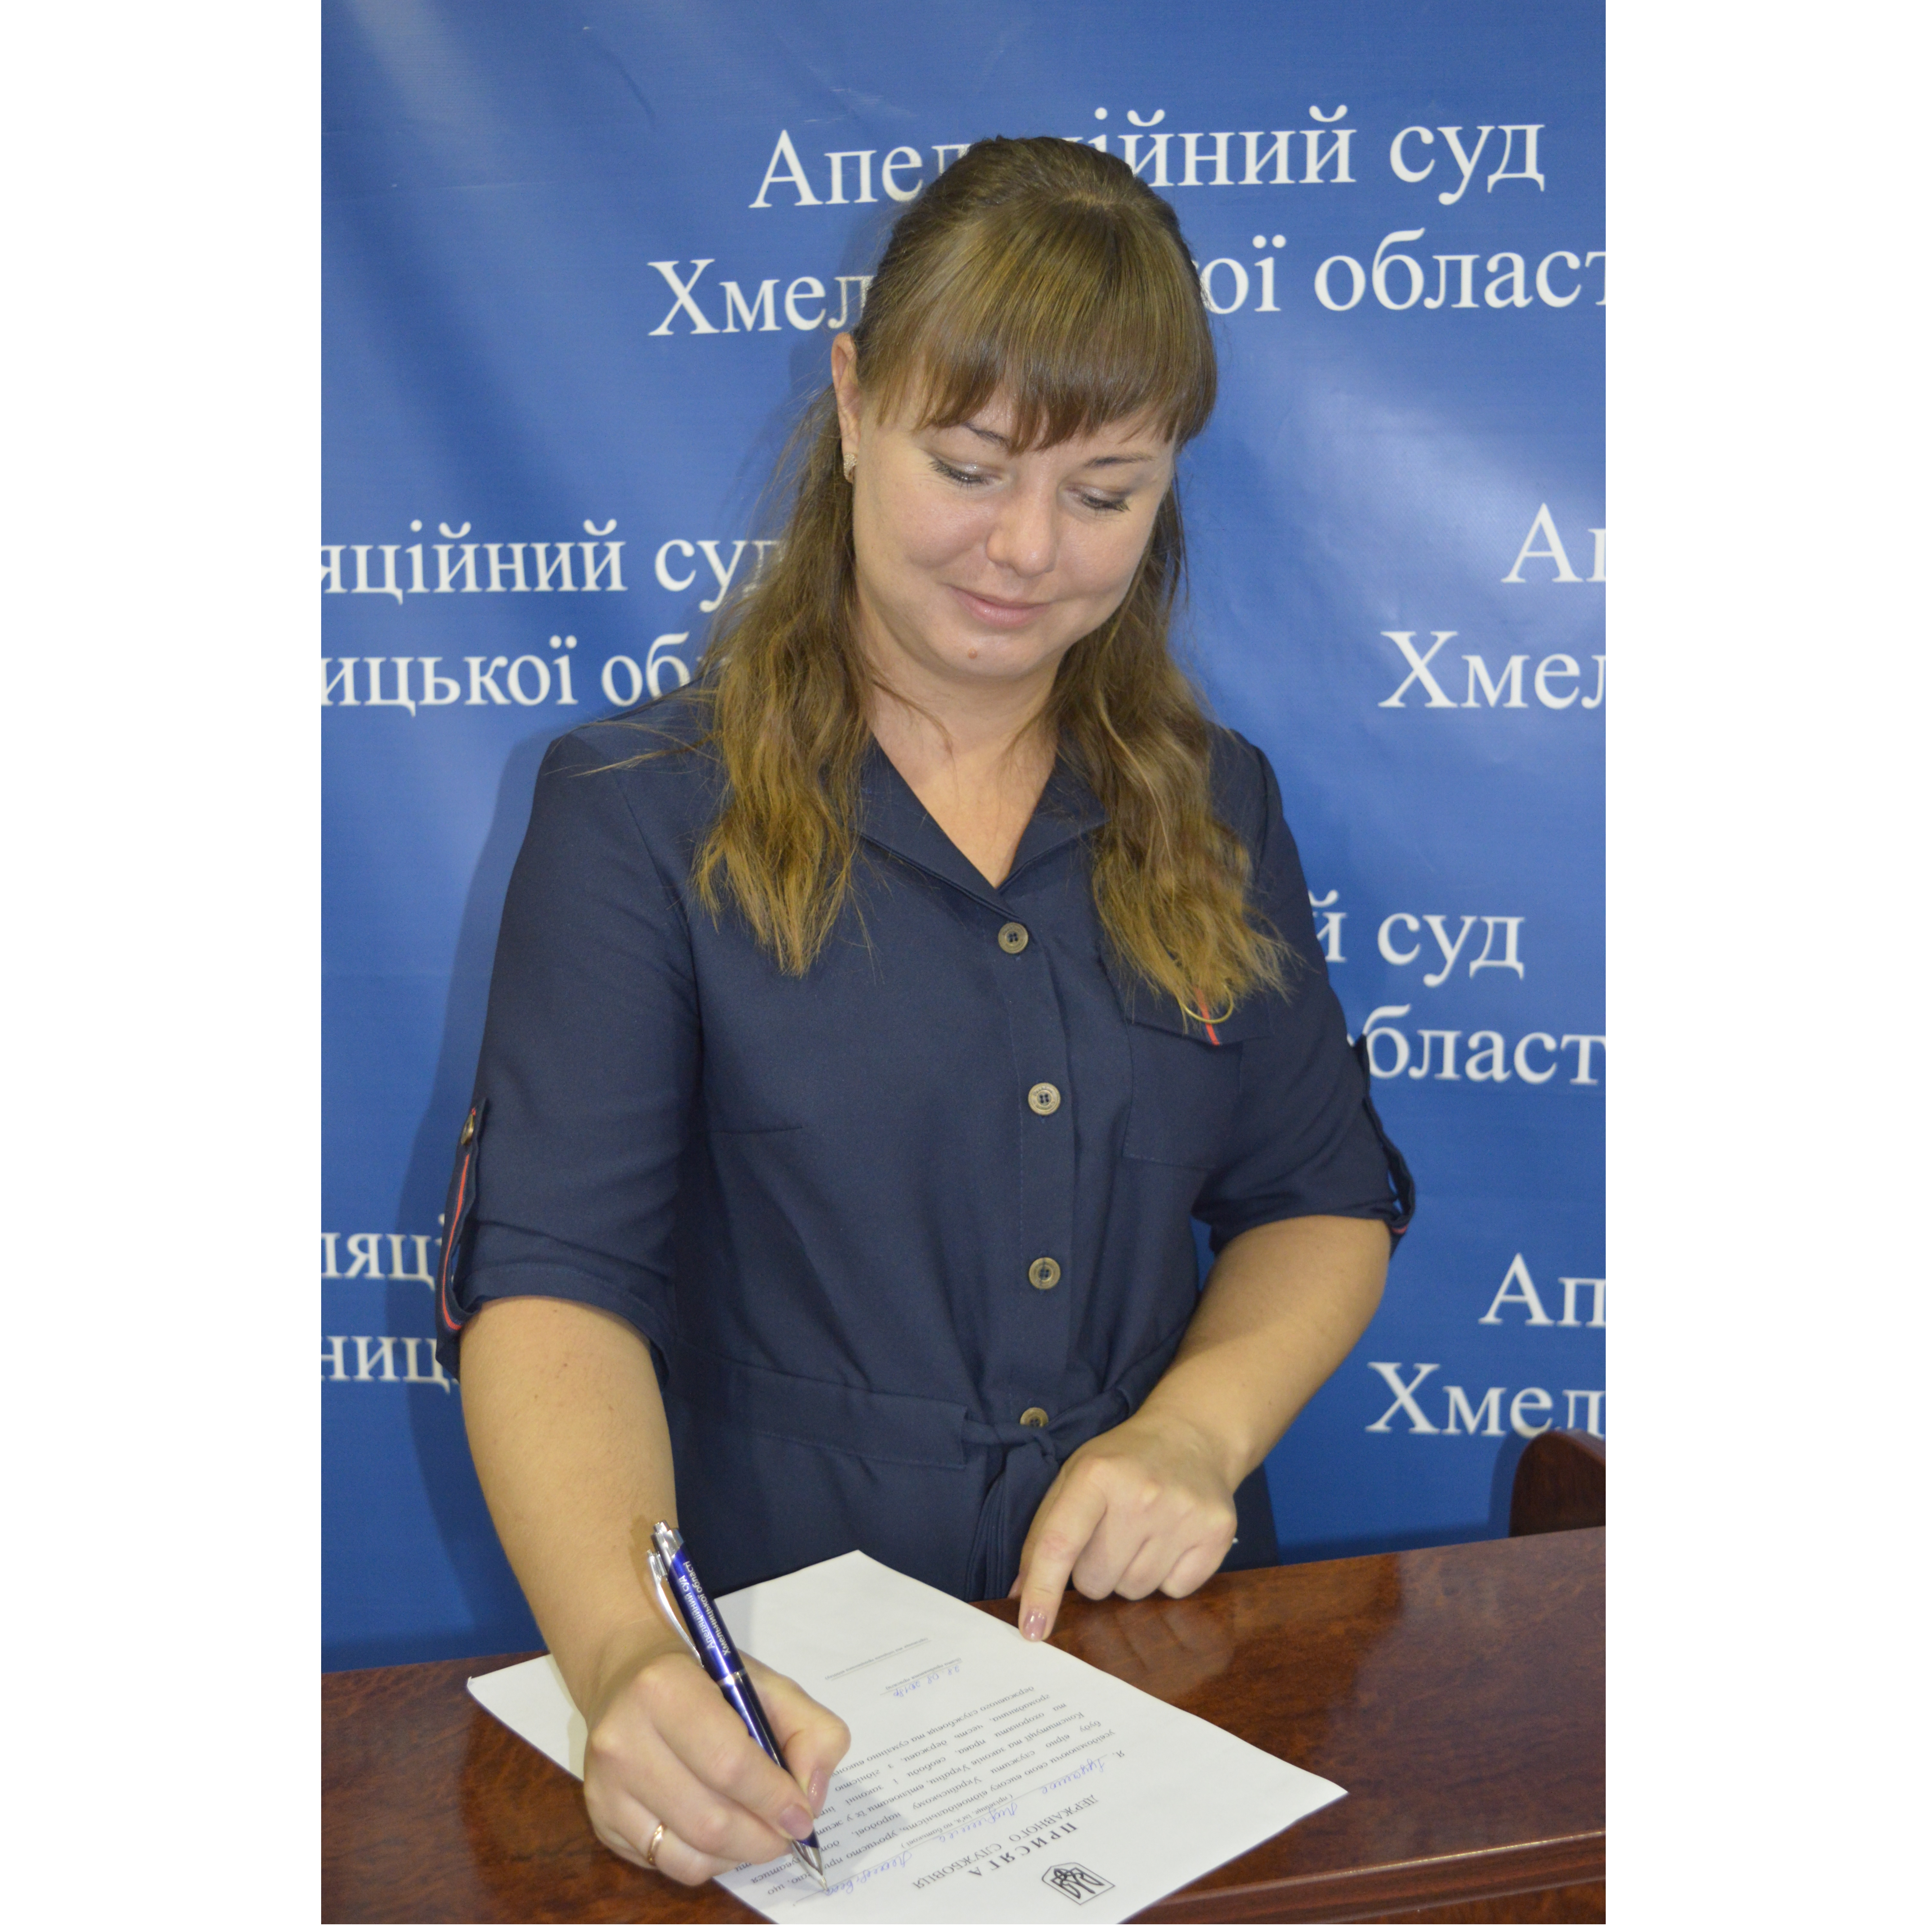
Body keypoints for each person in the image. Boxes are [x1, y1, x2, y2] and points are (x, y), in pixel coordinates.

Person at [434, 135, 1412, 1888]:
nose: (1025, 550)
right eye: (969, 468)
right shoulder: (638, 814)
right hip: (786, 1713)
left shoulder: (1216, 805)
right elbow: (555, 1286)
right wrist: (631, 1657)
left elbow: (1321, 1199)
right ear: (852, 404)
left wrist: (1197, 1433)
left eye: (1104, 493)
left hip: (1158, 1681)